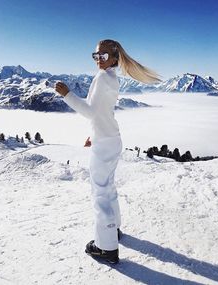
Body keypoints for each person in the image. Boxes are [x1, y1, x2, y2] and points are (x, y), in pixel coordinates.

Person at [55, 39, 161, 264]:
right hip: (111, 138)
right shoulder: (112, 77)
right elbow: (102, 112)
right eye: (95, 56)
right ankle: (113, 230)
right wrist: (95, 135)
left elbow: (91, 112)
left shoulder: (103, 77)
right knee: (108, 188)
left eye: (103, 56)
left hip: (104, 142)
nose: (98, 60)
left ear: (114, 58)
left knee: (100, 193)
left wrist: (67, 94)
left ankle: (106, 247)